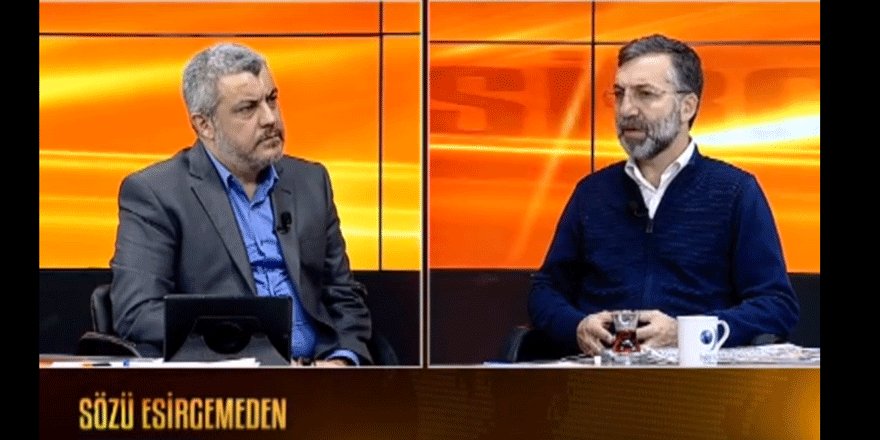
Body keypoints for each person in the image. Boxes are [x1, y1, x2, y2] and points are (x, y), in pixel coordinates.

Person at [528, 34, 799, 357]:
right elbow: (545, 292)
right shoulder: (592, 193)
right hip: (598, 376)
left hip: (695, 379)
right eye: (620, 94)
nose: (626, 109)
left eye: (645, 94)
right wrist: (576, 326)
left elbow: (776, 305)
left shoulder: (735, 192)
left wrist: (686, 334)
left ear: (687, 106)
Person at [109, 42, 372, 365]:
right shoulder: (156, 193)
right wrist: (255, 355)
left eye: (271, 99)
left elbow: (343, 296)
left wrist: (343, 360)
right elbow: (137, 312)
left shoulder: (311, 182)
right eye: (248, 108)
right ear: (204, 125)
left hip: (321, 375)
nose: (270, 118)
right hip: (230, 382)